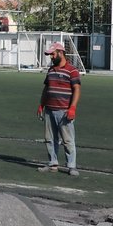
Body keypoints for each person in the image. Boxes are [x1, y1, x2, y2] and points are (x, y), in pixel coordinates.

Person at [37, 42, 80, 176]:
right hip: (49, 110)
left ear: (61, 53)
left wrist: (72, 108)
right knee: (50, 139)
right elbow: (46, 88)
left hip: (64, 111)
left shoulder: (72, 70)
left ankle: (71, 166)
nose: (51, 57)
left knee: (68, 140)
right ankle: (53, 164)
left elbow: (77, 89)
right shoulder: (51, 70)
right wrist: (41, 105)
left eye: (53, 54)